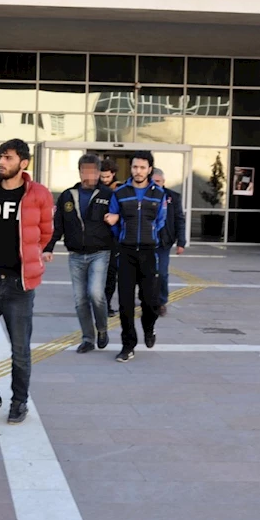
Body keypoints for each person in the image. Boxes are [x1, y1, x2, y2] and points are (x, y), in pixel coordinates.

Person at [0, 139, 53, 425]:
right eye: (0, 156)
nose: (2, 162)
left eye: (8, 157)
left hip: (20, 285)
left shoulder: (39, 194)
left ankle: (19, 402)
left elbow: (44, 234)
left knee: (20, 352)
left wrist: (28, 259)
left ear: (23, 163)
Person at [44, 154, 114, 353]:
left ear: (99, 172)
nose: (89, 175)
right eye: (85, 170)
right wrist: (48, 247)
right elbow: (58, 225)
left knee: (95, 293)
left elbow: (119, 222)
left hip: (100, 252)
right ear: (80, 171)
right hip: (75, 255)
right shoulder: (68, 195)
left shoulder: (108, 195)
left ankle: (102, 329)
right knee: (80, 299)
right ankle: (88, 338)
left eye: (93, 171)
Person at [105, 151, 166, 363]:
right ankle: (127, 345)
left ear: (149, 169)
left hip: (149, 253)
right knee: (125, 304)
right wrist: (122, 233)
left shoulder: (158, 194)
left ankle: (149, 328)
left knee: (150, 302)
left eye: (142, 167)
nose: (138, 171)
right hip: (127, 252)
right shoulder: (120, 192)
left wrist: (150, 236)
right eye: (134, 167)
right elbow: (113, 220)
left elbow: (160, 222)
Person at [152, 169, 186, 316]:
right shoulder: (143, 196)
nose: (156, 185)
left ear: (163, 182)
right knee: (146, 273)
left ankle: (161, 301)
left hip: (164, 241)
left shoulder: (173, 197)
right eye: (153, 182)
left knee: (162, 273)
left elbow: (179, 219)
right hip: (145, 241)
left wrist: (181, 242)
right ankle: (147, 299)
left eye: (158, 182)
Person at [99, 158, 121, 317]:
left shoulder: (120, 189)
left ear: (113, 174)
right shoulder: (95, 188)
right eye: (102, 177)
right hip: (98, 236)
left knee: (111, 274)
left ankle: (106, 304)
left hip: (114, 237)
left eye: (107, 177)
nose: (105, 180)